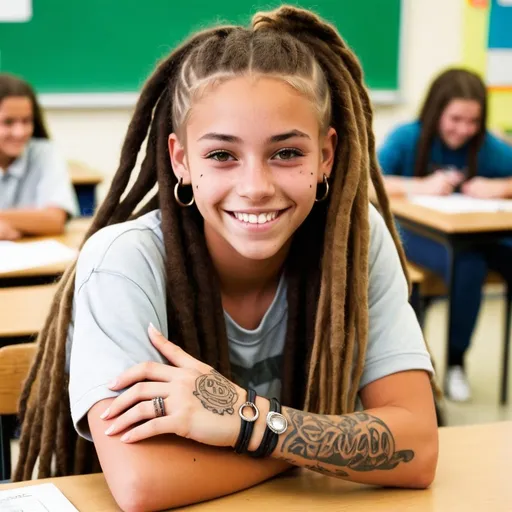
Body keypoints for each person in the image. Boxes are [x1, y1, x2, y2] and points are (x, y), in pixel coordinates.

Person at [15, 7, 438, 511]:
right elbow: (141, 483)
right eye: (221, 155)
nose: (255, 187)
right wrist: (316, 442)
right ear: (181, 159)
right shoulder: (122, 260)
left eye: (287, 154)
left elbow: (419, 448)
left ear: (326, 156)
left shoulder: (354, 243)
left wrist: (244, 417)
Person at [378, 68, 512, 402]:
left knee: (480, 256)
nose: (463, 129)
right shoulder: (407, 137)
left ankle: (451, 362)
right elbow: (368, 180)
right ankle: (451, 362)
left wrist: (499, 187)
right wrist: (417, 186)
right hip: (416, 235)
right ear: (437, 110)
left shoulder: (488, 148)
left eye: (472, 121)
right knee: (468, 264)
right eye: (455, 119)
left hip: (473, 235)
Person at [0, 73, 78, 240]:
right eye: (8, 122)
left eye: (26, 121)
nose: (20, 132)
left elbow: (55, 220)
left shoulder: (45, 152)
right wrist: (29, 223)